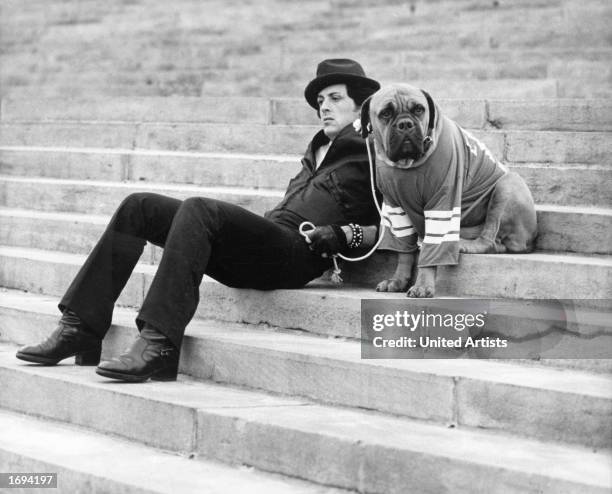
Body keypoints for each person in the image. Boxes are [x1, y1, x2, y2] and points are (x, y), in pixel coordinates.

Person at [16, 59, 381, 382]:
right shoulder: (316, 150)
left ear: (362, 105)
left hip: (299, 253)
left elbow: (399, 223)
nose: (324, 108)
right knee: (138, 205)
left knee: (200, 207)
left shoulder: (374, 150)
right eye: (320, 102)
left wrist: (344, 234)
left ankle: (158, 343)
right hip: (268, 243)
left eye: (335, 99)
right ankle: (81, 326)